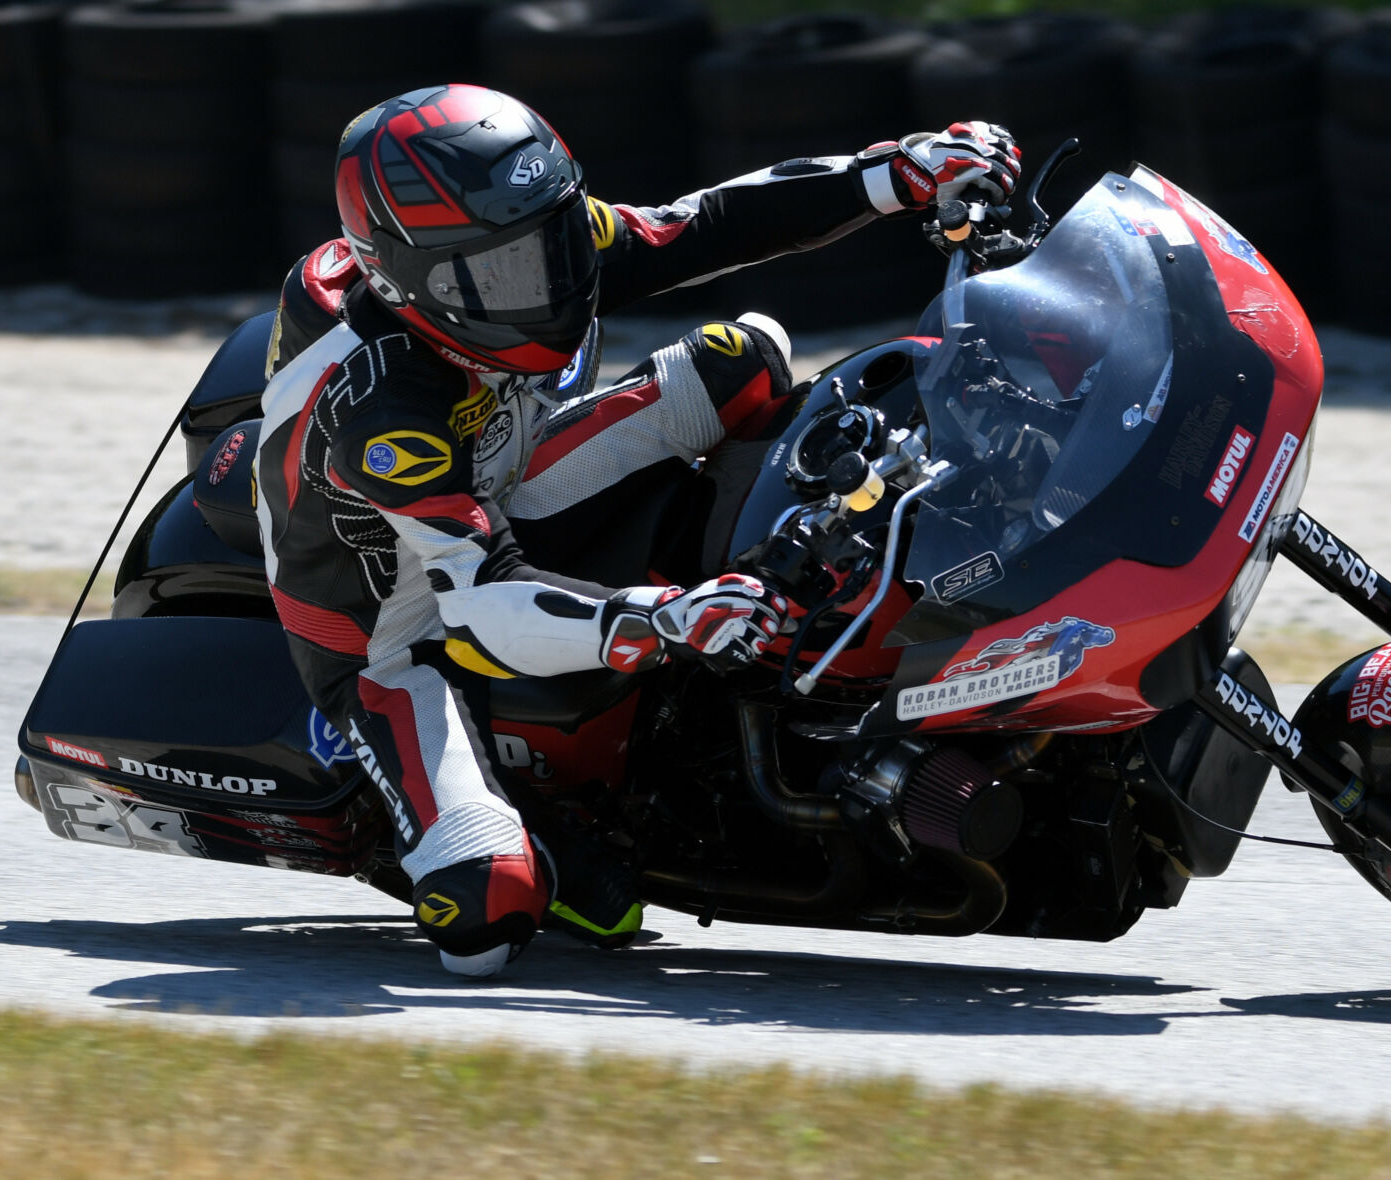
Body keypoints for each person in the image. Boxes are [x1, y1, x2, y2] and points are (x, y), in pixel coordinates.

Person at [251, 83, 1019, 978]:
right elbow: (479, 601)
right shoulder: (385, 412)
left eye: (557, 235)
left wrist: (898, 174)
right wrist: (656, 619)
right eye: (505, 272)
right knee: (485, 922)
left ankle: (817, 596)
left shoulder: (524, 241)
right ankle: (510, 821)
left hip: (499, 478)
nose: (550, 279)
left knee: (746, 361)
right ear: (404, 281)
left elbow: (701, 226)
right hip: (395, 621)